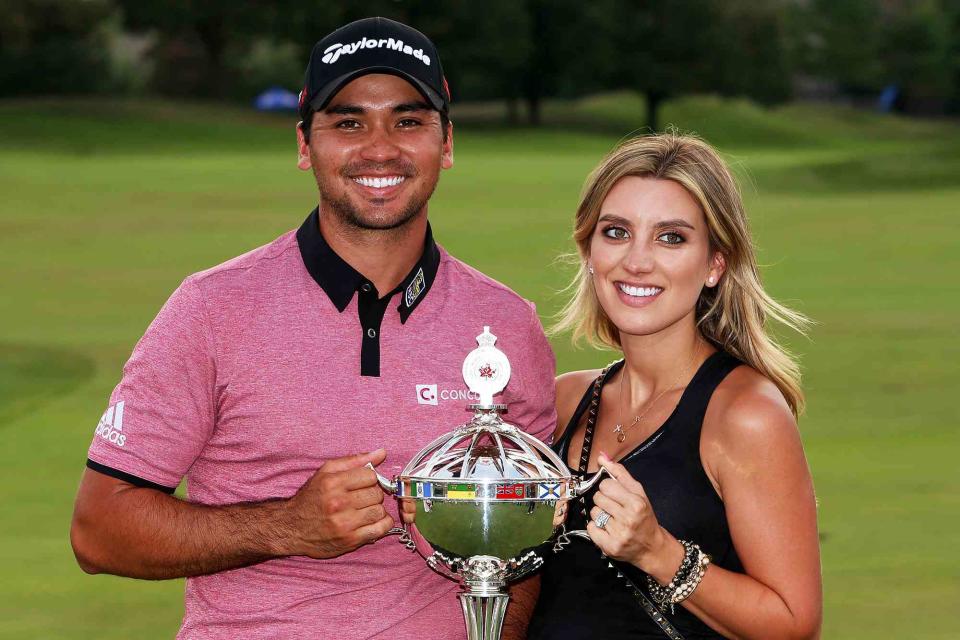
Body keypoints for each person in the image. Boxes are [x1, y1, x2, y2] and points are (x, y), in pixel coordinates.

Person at [69, 17, 556, 639]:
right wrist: (283, 527)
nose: (380, 148)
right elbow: (99, 531)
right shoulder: (211, 310)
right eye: (347, 122)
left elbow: (526, 546)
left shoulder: (507, 325)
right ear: (305, 145)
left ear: (448, 143)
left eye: (409, 121)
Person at [523, 134, 822, 639]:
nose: (637, 262)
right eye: (616, 232)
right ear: (588, 249)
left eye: (671, 237)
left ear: (714, 265)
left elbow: (794, 624)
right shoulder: (564, 399)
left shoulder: (745, 413)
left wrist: (657, 551)